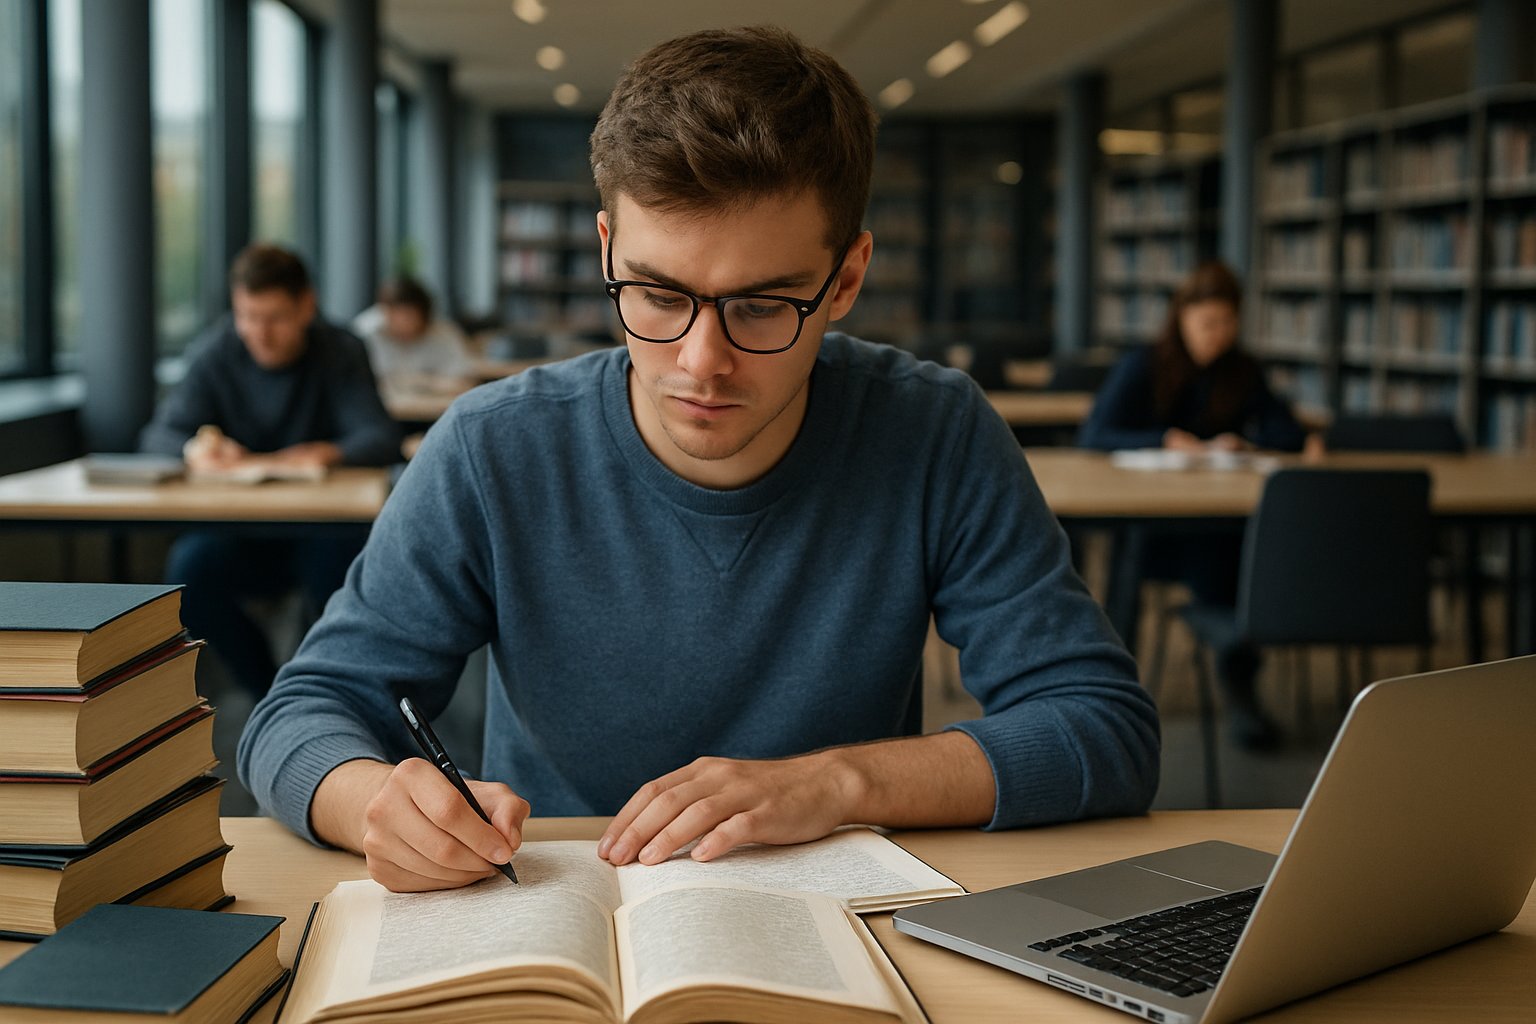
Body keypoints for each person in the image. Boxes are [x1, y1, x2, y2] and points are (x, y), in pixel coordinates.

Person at [238, 27, 1159, 894]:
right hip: (557, 911)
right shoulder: (493, 446)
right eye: (658, 294)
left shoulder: (935, 432)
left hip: (840, 916)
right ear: (607, 250)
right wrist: (373, 805)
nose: (701, 362)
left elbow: (1102, 727)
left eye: (761, 306)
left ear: (845, 279)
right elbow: (304, 711)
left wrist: (837, 783)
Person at [140, 244, 401, 698]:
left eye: (275, 317)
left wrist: (328, 452)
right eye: (247, 315)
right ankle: (270, 693)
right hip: (239, 529)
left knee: (342, 577)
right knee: (188, 572)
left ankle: (325, 693)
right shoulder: (218, 350)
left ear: (307, 306)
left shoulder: (339, 350)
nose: (259, 333)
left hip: (322, 529)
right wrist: (194, 451)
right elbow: (158, 435)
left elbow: (379, 436)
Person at [1079, 260, 1316, 750]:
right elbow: (1096, 433)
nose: (1217, 335)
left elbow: (1284, 429)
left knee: (1247, 548)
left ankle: (1238, 675)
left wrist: (1252, 442)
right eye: (1207, 323)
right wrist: (1164, 439)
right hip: (1155, 523)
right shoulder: (1144, 365)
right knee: (1134, 547)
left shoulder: (1241, 370)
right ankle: (1111, 692)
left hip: (1218, 524)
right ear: (1181, 318)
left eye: (1227, 323)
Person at [351, 276, 476, 396]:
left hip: (434, 412)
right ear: (385, 312)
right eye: (401, 316)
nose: (405, 325)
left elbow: (464, 382)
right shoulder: (364, 333)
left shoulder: (443, 332)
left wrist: (421, 382)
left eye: (412, 318)